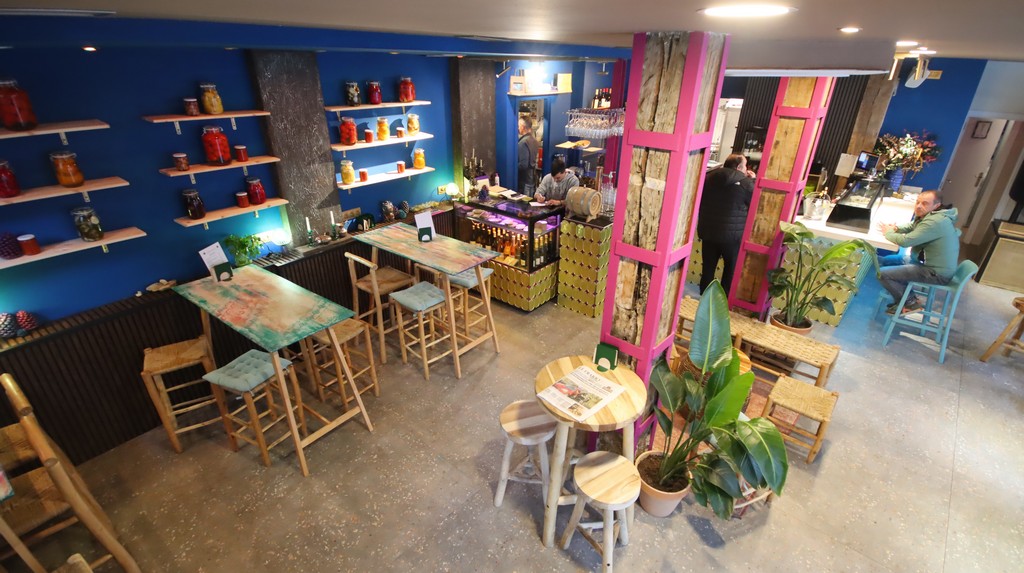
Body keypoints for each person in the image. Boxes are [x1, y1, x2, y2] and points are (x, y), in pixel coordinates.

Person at [877, 190, 960, 314]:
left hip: (936, 273)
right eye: (918, 202)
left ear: (936, 205)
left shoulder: (934, 222)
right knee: (886, 261)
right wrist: (895, 228)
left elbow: (905, 241)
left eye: (925, 203)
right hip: (926, 263)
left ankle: (910, 303)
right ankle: (905, 295)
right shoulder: (932, 215)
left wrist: (888, 232)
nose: (919, 206)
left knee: (882, 274)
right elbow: (913, 226)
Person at [696, 154, 755, 295]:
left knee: (708, 269)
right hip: (732, 238)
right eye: (745, 166)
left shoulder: (708, 177)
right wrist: (752, 180)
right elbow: (755, 203)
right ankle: (723, 301)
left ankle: (705, 299)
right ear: (739, 167)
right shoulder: (746, 184)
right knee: (730, 270)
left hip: (709, 233)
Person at [517, 117, 539, 195]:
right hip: (532, 179)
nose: (518, 128)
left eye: (518, 126)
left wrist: (511, 167)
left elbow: (523, 165)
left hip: (524, 182)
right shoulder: (534, 141)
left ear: (523, 127)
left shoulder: (523, 143)